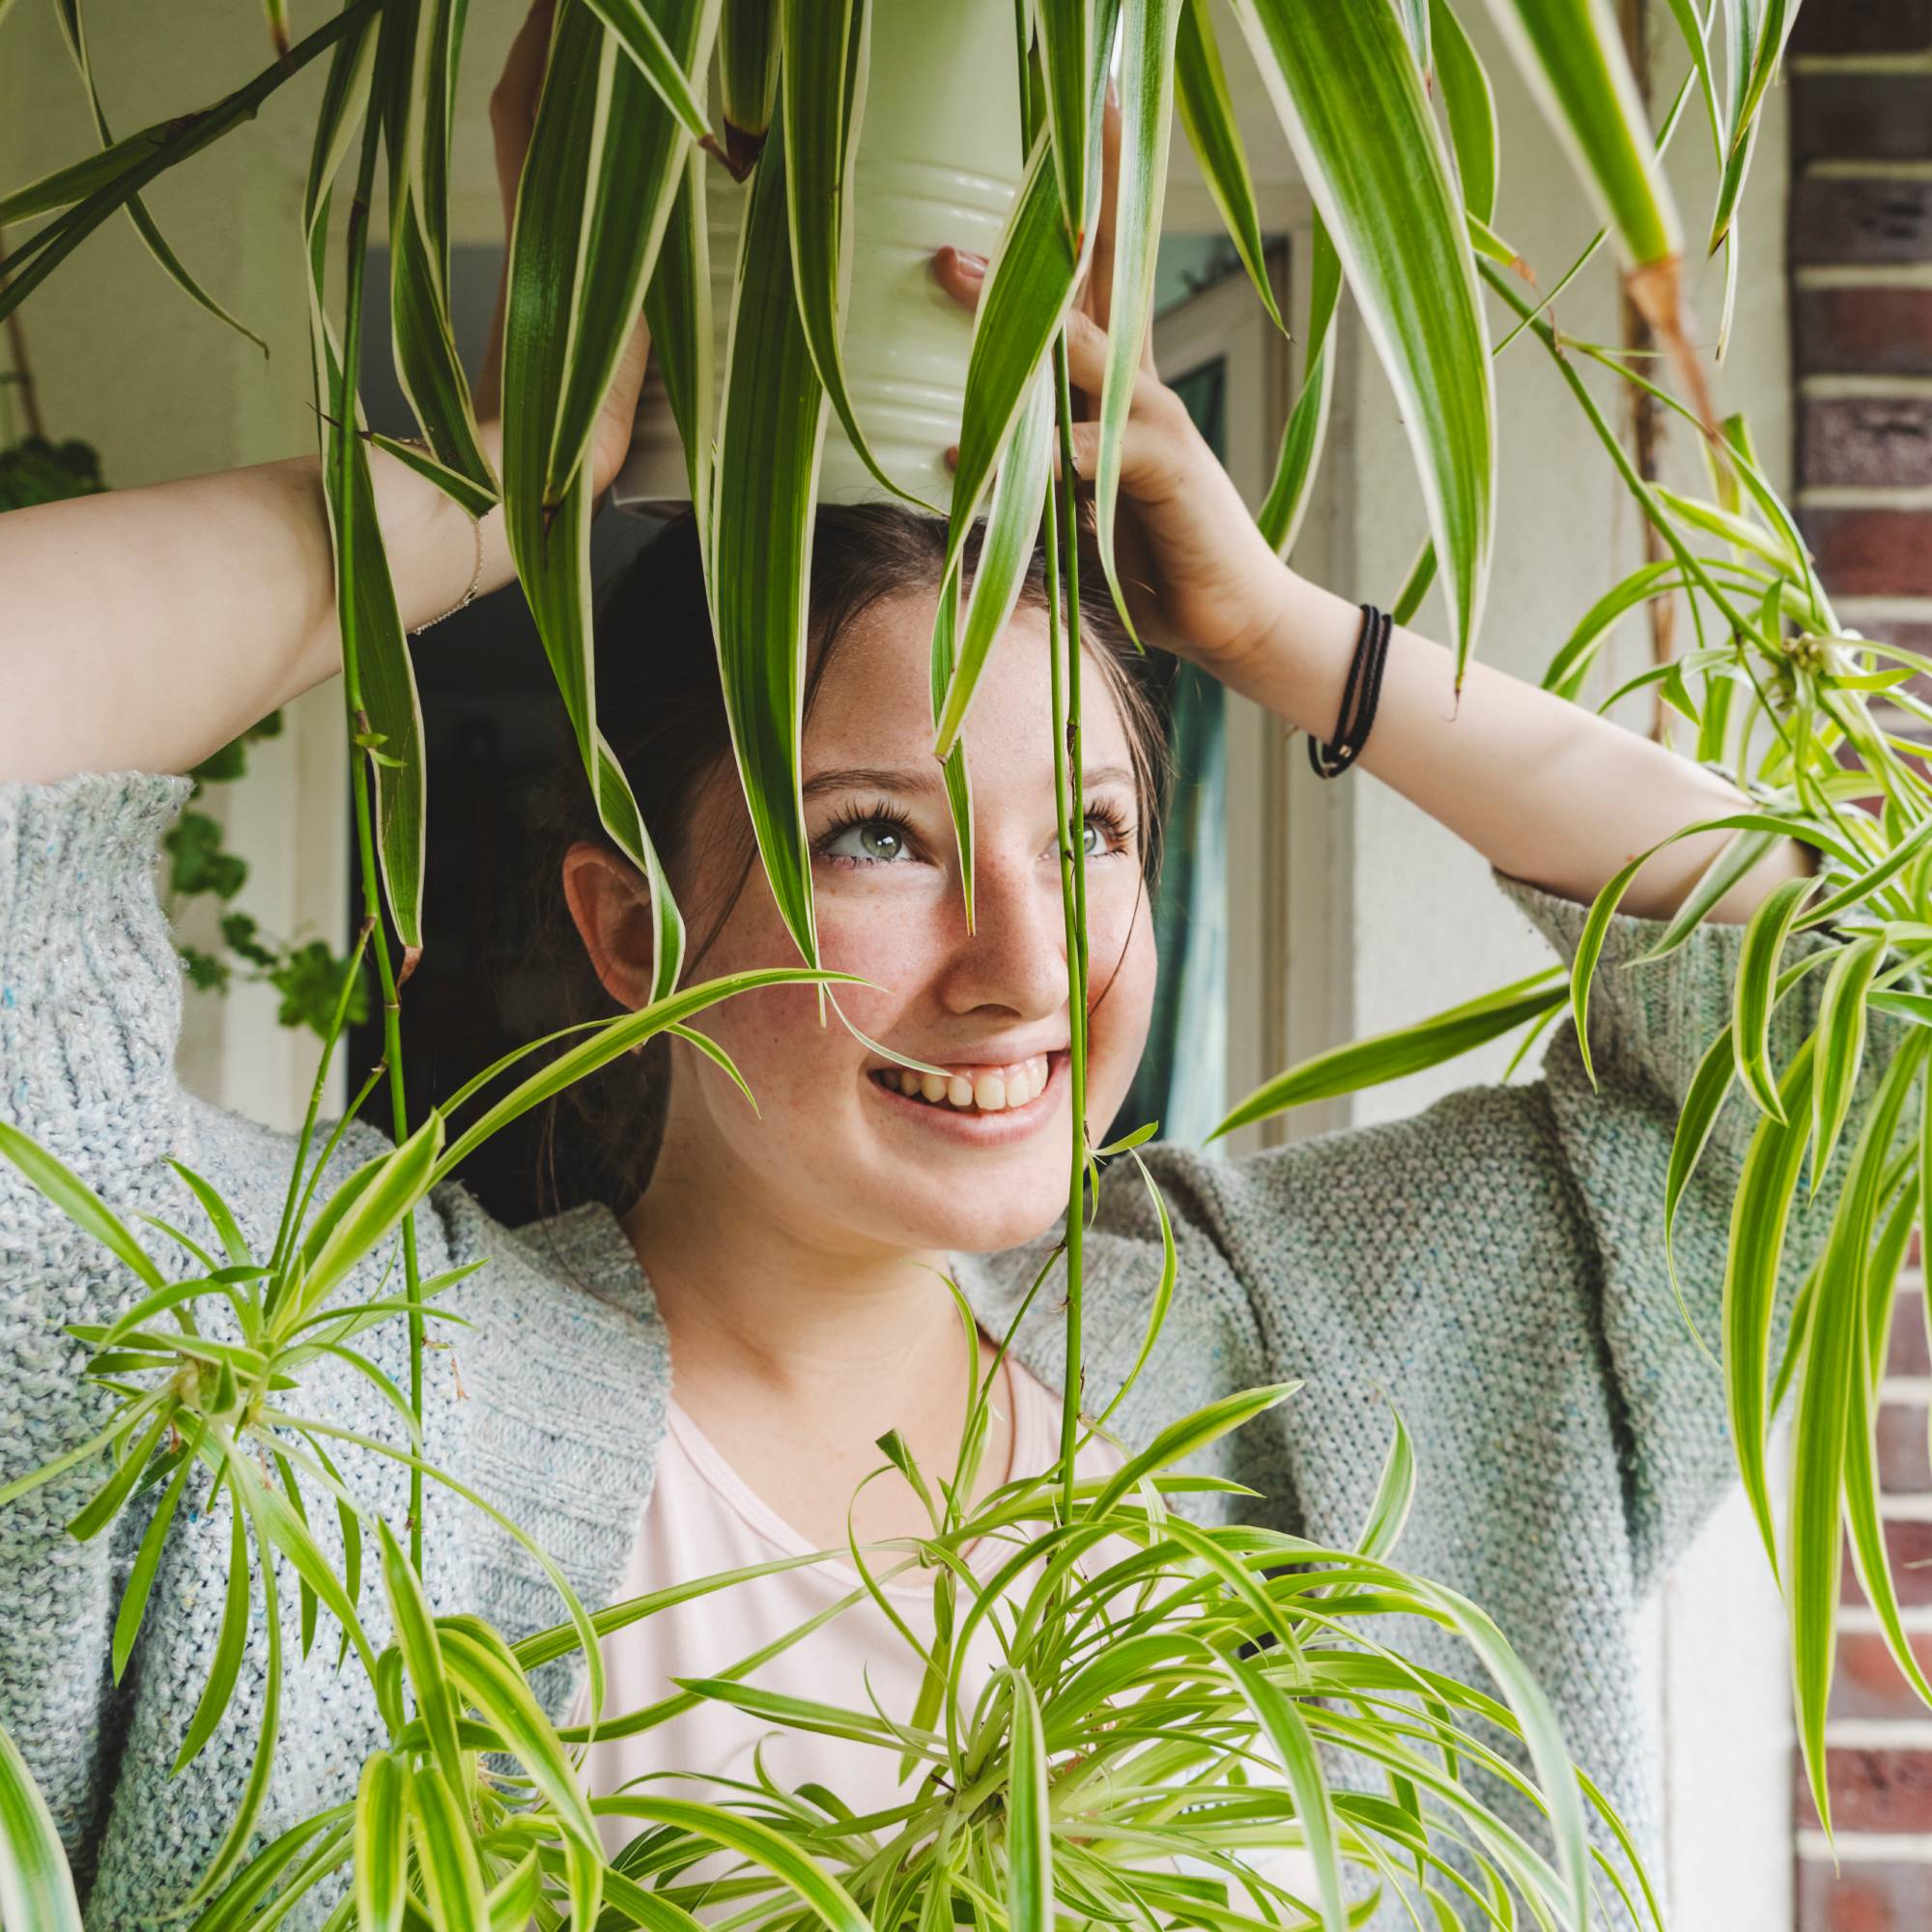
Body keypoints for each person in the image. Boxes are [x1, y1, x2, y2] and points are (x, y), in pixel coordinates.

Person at [0, 5, 1863, 1928]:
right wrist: (489, 494)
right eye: (873, 834)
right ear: (628, 921)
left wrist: (1282, 625)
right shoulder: (347, 1411)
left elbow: (1835, 1012)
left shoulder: (1313, 1371)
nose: (1020, 964)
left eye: (1090, 833)